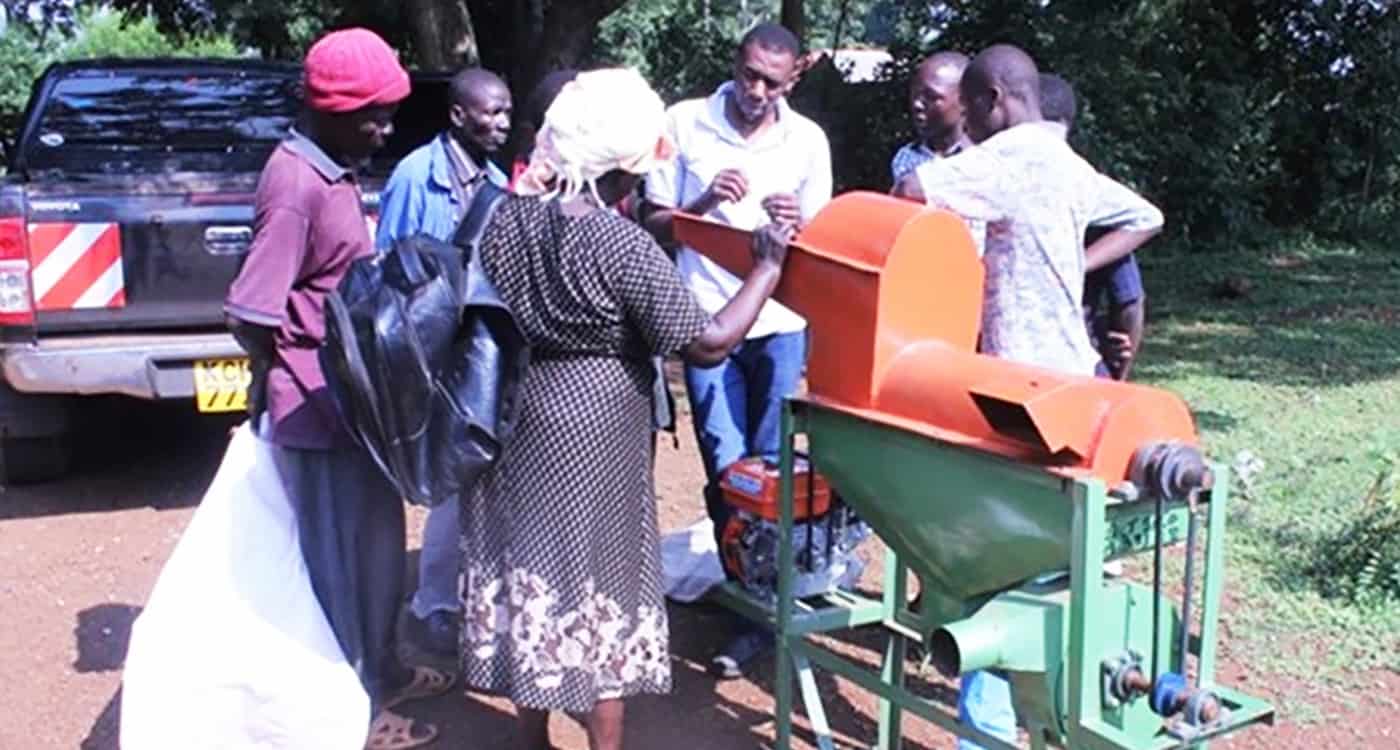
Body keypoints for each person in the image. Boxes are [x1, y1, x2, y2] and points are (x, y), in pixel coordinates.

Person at [457, 67, 793, 750]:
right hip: (598, 426)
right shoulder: (620, 244)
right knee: (599, 584)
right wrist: (766, 267)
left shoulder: (508, 220)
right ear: (626, 162)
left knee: (536, 573)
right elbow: (708, 342)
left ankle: (532, 739)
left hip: (524, 411)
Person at [894, 45, 1163, 748]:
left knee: (993, 562)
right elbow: (1145, 215)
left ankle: (986, 731)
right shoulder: (1072, 165)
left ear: (991, 100)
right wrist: (1077, 259)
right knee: (1061, 559)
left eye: (972, 108)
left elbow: (909, 195)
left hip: (1011, 392)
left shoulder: (1006, 158)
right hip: (1076, 383)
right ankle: (1066, 717)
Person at [223, 28, 452, 750]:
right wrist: (300, 371)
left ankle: (383, 663)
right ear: (327, 109)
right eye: (372, 117)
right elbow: (252, 313)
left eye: (389, 114)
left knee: (380, 550)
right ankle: (355, 710)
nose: (385, 130)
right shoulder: (295, 184)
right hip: (319, 413)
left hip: (355, 408)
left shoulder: (332, 169)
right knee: (341, 569)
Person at [640, 21, 832, 679]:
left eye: (770, 81)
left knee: (774, 468)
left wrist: (798, 227)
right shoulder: (685, 121)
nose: (755, 90)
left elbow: (820, 245)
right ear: (735, 61)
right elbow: (652, 222)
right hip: (706, 323)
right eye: (748, 73)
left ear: (794, 77)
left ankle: (764, 604)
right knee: (727, 464)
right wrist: (700, 200)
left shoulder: (807, 141)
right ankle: (743, 598)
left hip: (779, 325)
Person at [374, 66, 512, 657]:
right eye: (492, 113)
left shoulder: (498, 182)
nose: (503, 124)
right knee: (447, 483)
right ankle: (433, 604)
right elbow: (388, 267)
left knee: (476, 476)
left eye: (507, 113)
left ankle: (465, 599)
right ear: (458, 115)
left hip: (475, 350)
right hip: (429, 350)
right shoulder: (414, 176)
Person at [1039, 72, 1147, 380]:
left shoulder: (989, 187)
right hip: (1078, 366)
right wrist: (1119, 376)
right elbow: (1129, 303)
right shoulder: (1092, 201)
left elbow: (1129, 302)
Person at [890, 51, 970, 186]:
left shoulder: (983, 159)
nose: (917, 104)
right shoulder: (906, 158)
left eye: (931, 97)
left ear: (964, 102)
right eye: (915, 94)